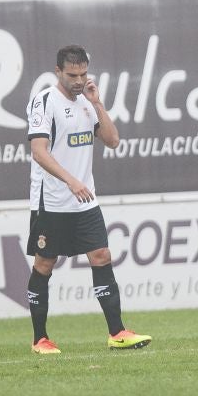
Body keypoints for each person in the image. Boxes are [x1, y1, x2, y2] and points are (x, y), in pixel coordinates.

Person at [25, 45, 151, 354]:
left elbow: (113, 140)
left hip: (84, 200)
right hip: (52, 200)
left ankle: (117, 333)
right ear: (58, 72)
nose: (79, 81)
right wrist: (70, 181)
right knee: (45, 263)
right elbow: (39, 151)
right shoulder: (45, 101)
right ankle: (40, 338)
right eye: (72, 75)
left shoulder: (86, 102)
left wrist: (97, 103)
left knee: (102, 256)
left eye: (83, 74)